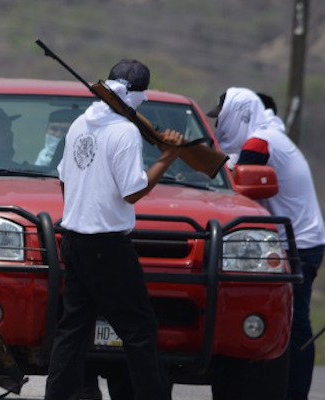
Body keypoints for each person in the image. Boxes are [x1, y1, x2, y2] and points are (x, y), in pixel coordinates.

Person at [45, 59, 182, 400]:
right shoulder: (124, 131)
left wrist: (83, 208)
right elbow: (132, 190)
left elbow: (64, 178)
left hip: (74, 240)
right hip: (107, 246)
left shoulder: (80, 123)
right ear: (138, 96)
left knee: (73, 330)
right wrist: (167, 158)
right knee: (140, 329)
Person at [207, 88, 325, 400]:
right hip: (298, 240)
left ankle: (295, 392)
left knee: (294, 321)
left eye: (223, 117)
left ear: (238, 114)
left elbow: (234, 188)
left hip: (299, 243)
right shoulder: (267, 136)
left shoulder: (261, 141)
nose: (221, 125)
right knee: (285, 320)